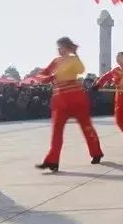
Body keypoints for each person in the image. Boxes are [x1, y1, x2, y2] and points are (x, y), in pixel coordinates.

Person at [35, 37, 104, 172]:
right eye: (58, 47)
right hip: (60, 99)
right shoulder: (56, 61)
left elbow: (81, 70)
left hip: (75, 97)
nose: (59, 49)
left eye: (61, 47)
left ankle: (96, 152)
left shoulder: (73, 60)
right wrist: (47, 78)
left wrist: (76, 54)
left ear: (67, 47)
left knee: (86, 126)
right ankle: (52, 161)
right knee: (56, 131)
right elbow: (41, 75)